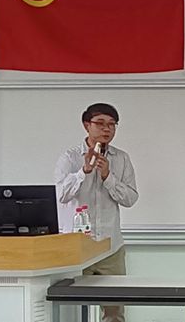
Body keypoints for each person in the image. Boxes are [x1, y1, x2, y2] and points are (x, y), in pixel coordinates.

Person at [55, 103, 138, 322]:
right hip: (76, 247)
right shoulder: (70, 158)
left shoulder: (121, 159)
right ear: (86, 125)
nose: (106, 129)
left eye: (112, 124)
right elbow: (61, 195)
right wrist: (84, 171)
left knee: (114, 313)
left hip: (110, 247)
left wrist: (108, 177)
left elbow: (130, 198)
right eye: (100, 123)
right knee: (69, 311)